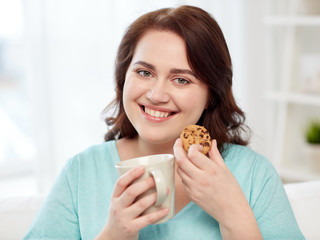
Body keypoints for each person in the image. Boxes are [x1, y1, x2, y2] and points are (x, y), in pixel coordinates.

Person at [24, 5, 304, 240]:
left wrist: (234, 214)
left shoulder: (253, 175)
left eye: (181, 79)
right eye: (144, 72)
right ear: (123, 79)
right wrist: (112, 235)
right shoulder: (82, 173)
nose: (156, 95)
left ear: (211, 94)